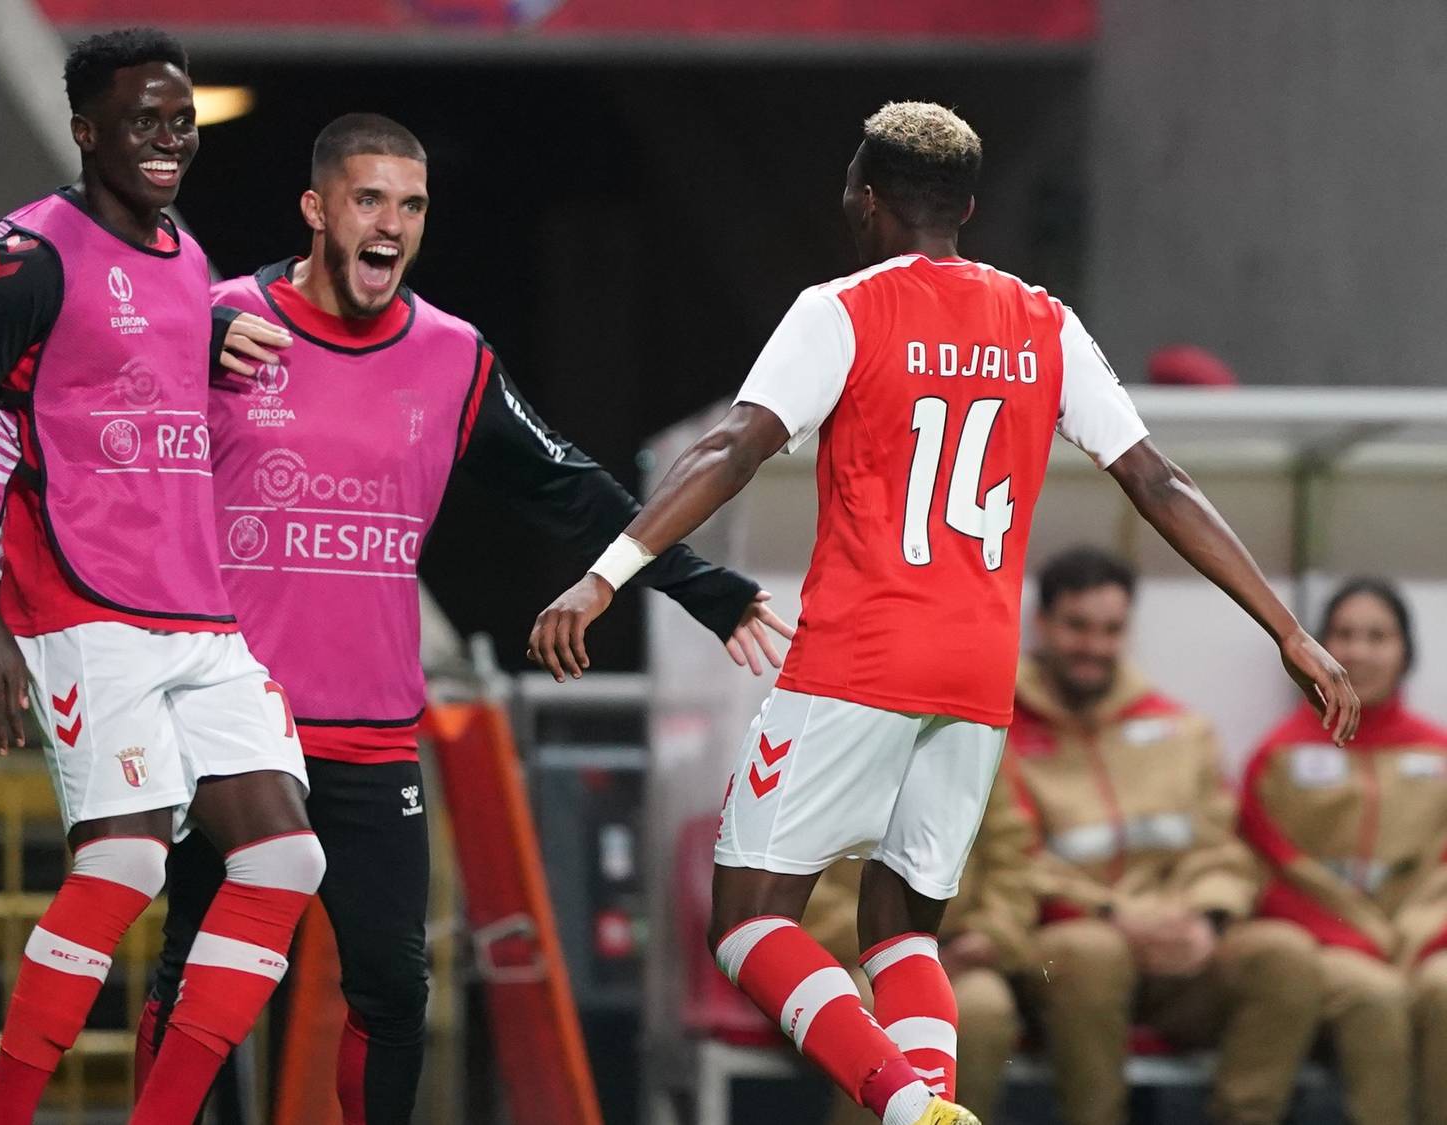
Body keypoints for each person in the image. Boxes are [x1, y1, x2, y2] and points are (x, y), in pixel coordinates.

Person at [525, 101, 1359, 1125]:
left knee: (745, 921)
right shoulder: (1042, 321)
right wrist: (1285, 627)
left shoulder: (841, 310)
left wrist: (607, 571)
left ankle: (898, 1103)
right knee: (901, 932)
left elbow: (730, 446)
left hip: (858, 660)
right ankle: (930, 1108)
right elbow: (1157, 479)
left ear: (862, 198)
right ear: (965, 206)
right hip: (974, 676)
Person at [108, 113, 787, 1124]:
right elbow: (86, 396)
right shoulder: (219, 326)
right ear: (316, 209)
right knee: (204, 977)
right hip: (232, 725)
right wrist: (177, 337)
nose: (391, 223)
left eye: (411, 204)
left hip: (373, 735)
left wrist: (700, 585)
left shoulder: (449, 356)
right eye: (368, 199)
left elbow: (567, 486)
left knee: (390, 986)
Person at [0, 30, 325, 1125]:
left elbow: (146, 374)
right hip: (78, 604)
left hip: (197, 608)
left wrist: (216, 332)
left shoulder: (184, 252)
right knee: (125, 867)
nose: (168, 140)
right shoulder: (25, 255)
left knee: (283, 861)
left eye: (180, 121)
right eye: (143, 122)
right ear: (87, 132)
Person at [1010, 546, 1318, 1125]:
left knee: (1286, 956)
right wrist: (1113, 916)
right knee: (1089, 954)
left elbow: (1223, 850)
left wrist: (1206, 920)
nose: (1094, 647)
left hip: (1179, 953)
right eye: (1077, 626)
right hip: (1060, 956)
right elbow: (1006, 861)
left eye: (1111, 629)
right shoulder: (991, 728)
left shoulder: (1181, 730)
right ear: (1042, 625)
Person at [1239, 578, 1447, 1125]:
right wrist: (1361, 940)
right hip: (1327, 948)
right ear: (1317, 647)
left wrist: (1419, 937)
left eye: (1378, 636)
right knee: (1373, 998)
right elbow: (1268, 868)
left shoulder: (1438, 752)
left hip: (1424, 944)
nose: (1359, 651)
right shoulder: (1279, 755)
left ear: (1406, 651)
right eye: (1344, 635)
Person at [801, 777, 1034, 1125]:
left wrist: (991, 931)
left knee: (985, 1008)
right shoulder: (826, 749)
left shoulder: (972, 741)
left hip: (959, 952)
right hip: (855, 957)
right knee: (872, 1016)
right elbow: (800, 887)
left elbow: (1012, 861)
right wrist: (895, 945)